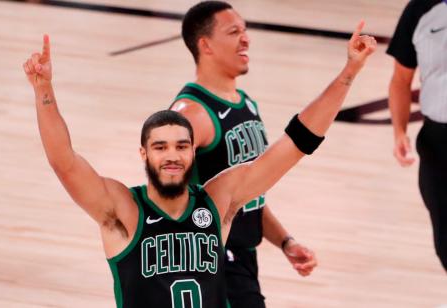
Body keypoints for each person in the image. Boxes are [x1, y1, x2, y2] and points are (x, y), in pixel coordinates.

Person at [22, 23, 375, 307]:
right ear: (144, 155)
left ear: (193, 154)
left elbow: (295, 145)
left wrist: (349, 73)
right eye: (160, 147)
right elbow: (64, 161)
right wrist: (43, 91)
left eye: (181, 146)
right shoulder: (123, 210)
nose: (172, 155)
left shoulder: (219, 199)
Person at [170, 2, 317, 306]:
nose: (246, 39)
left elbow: (248, 196)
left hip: (245, 258)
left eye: (245, 30)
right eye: (234, 31)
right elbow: (163, 196)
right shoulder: (192, 114)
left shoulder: (246, 104)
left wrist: (285, 241)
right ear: (205, 45)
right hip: (214, 264)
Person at [387, 0, 447, 271]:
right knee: (445, 244)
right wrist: (399, 132)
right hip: (437, 144)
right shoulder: (421, 8)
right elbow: (401, 78)